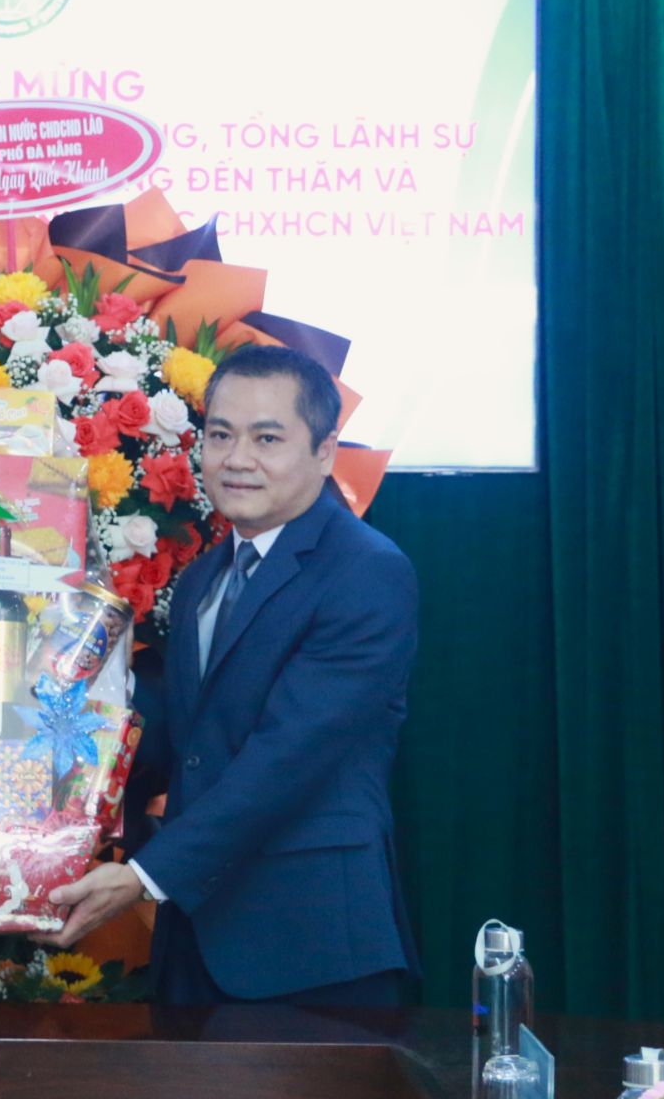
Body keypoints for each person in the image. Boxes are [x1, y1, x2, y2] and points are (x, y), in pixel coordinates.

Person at [42, 344, 421, 1006]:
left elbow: (286, 760)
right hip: (195, 940)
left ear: (325, 451)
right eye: (220, 434)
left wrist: (143, 876)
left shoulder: (365, 571)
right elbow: (185, 745)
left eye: (266, 437)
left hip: (311, 950)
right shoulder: (204, 576)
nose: (236, 458)